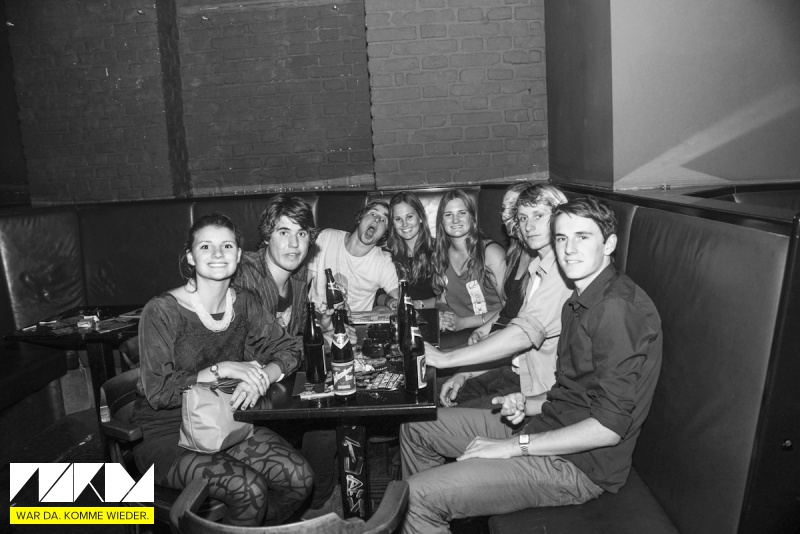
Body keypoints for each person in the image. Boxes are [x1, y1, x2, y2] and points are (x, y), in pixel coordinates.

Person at [399, 197, 663, 533]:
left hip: (577, 466)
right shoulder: (580, 299)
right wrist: (527, 402)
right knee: (416, 428)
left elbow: (608, 430)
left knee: (416, 497)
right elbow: (573, 392)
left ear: (609, 244)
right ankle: (440, 506)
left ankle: (430, 505)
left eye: (583, 237)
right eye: (562, 238)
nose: (569, 249)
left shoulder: (616, 309)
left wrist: (512, 447)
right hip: (546, 425)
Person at [131, 214, 313, 526]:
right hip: (169, 433)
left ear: (239, 254)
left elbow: (290, 349)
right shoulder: (162, 310)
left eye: (227, 246)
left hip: (226, 420)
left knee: (300, 478)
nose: (218, 254)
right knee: (249, 490)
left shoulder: (244, 303)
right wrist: (224, 369)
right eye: (206, 246)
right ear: (191, 257)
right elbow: (159, 391)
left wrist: (261, 377)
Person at [232, 196, 336, 514]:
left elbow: (296, 338)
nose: (294, 244)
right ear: (267, 236)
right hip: (238, 394)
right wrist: (310, 346)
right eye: (283, 232)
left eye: (302, 233)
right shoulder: (244, 275)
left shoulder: (300, 276)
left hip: (276, 382)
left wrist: (324, 333)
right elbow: (258, 347)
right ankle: (301, 509)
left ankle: (315, 506)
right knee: (324, 419)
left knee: (329, 418)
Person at [427, 184, 572, 408]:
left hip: (538, 390)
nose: (528, 225)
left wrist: (445, 358)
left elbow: (521, 336)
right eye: (522, 217)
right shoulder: (535, 265)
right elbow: (511, 317)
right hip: (513, 367)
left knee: (428, 415)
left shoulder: (561, 271)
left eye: (538, 215)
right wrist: (465, 373)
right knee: (430, 394)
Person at [307, 200, 400, 330]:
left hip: (352, 330)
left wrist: (387, 305)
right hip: (314, 324)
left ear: (385, 232)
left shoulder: (383, 261)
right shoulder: (327, 237)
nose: (377, 220)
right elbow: (303, 282)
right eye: (373, 214)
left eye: (384, 220)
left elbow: (399, 302)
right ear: (360, 218)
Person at [432, 189, 506, 334]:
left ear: (472, 217)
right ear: (441, 221)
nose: (455, 220)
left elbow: (510, 307)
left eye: (462, 213)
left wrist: (464, 323)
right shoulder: (440, 256)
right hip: (459, 333)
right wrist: (444, 315)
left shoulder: (491, 253)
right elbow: (441, 301)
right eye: (448, 215)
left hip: (495, 329)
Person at [378, 191, 436, 310]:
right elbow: (377, 293)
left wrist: (416, 304)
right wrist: (389, 301)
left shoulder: (438, 250)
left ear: (420, 217)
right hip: (398, 316)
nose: (404, 224)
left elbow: (449, 298)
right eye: (398, 219)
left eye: (409, 217)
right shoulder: (386, 253)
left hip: (431, 315)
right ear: (393, 224)